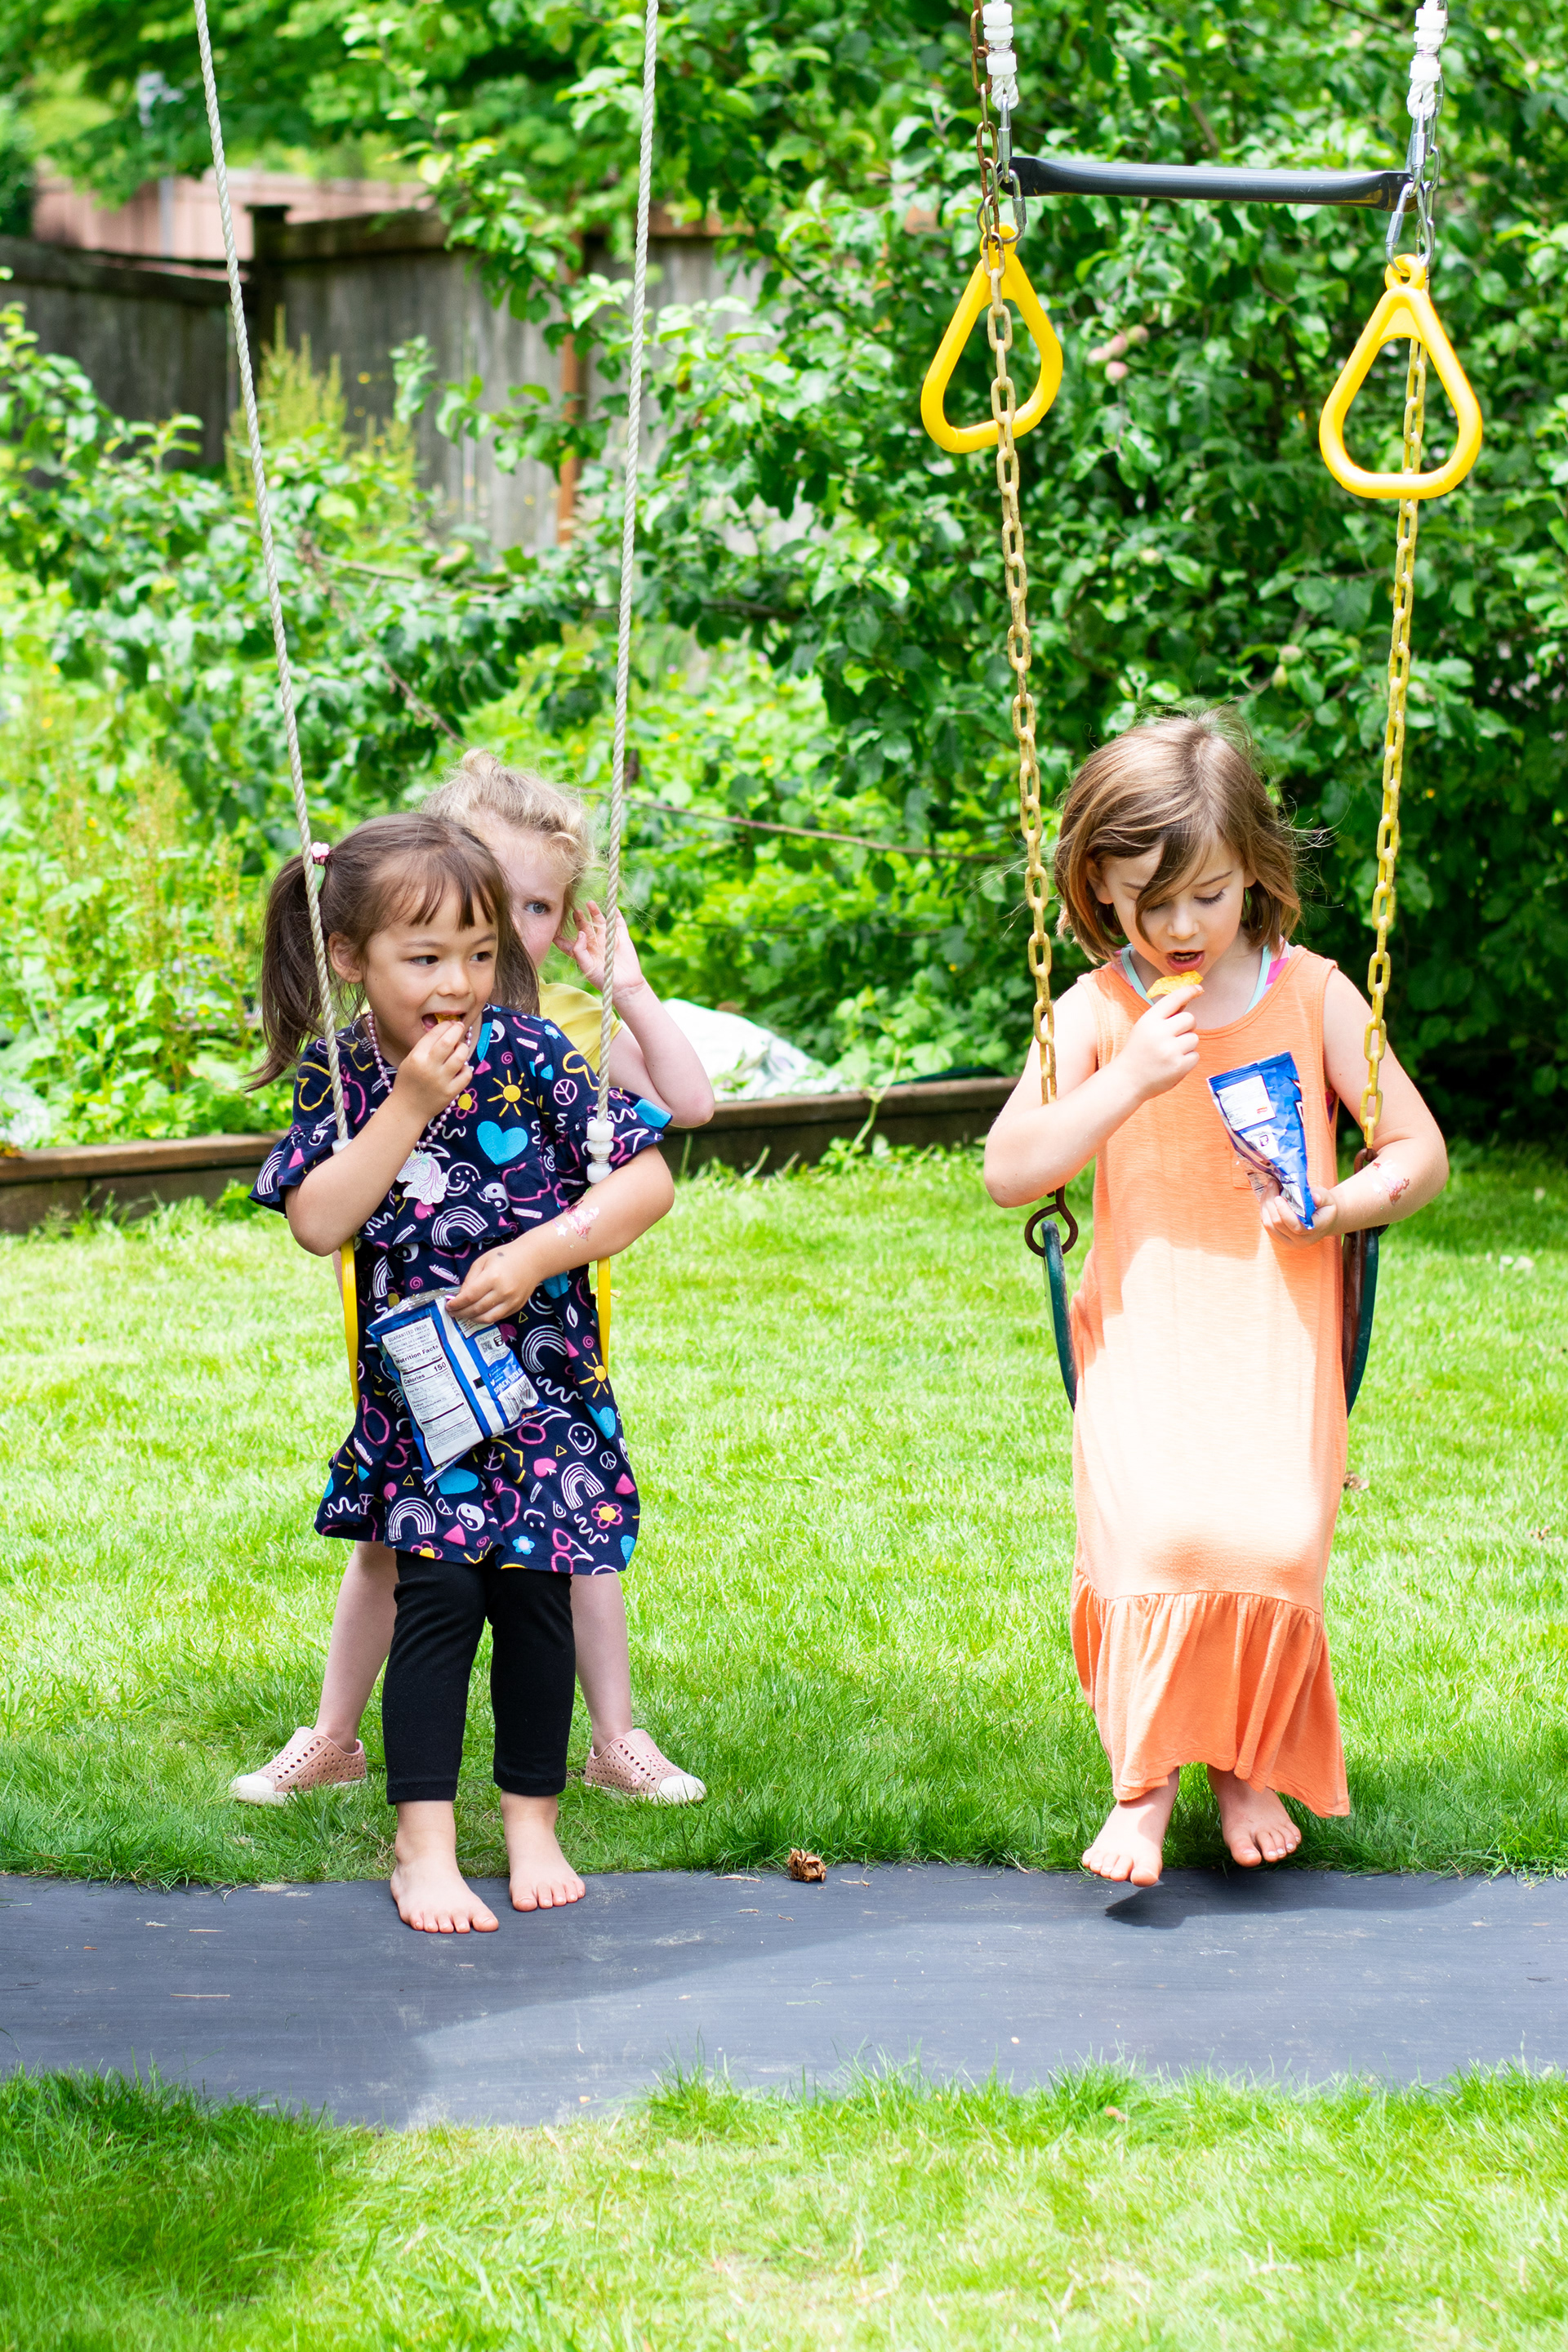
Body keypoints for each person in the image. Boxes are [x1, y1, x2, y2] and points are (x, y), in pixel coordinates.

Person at [985, 709, 1447, 1889]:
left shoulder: (1316, 995)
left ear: (1255, 871)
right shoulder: (1098, 1010)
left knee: (1273, 1546)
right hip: (1149, 1324)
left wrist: (1341, 1207)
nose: (1184, 927)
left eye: (1209, 895)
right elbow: (1010, 1170)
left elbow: (1419, 1153)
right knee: (1159, 1539)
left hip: (1275, 1321)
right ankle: (1143, 1787)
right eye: (1151, 901)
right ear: (1101, 887)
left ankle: (1245, 1766)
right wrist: (1128, 1080)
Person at [233, 756, 714, 1812]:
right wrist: (405, 1105)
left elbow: (652, 1175)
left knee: (564, 1545)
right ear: (357, 955)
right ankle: (333, 1737)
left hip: (542, 1366)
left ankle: (611, 1740)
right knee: (391, 1550)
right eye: (428, 953)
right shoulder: (345, 1073)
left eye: (484, 948)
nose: (458, 980)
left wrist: (543, 1252)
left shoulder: (538, 1048)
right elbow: (317, 1221)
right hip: (419, 1379)